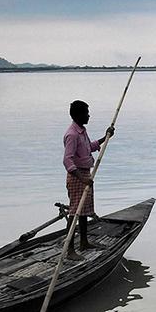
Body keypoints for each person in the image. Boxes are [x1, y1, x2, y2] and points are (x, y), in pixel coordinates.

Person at [63, 100, 114, 260]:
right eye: (86, 113)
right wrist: (81, 179)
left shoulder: (82, 131)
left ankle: (84, 242)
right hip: (77, 176)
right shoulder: (72, 134)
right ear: (78, 115)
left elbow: (88, 148)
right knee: (75, 212)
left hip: (85, 174)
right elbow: (67, 160)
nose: (88, 115)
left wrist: (105, 138)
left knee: (84, 211)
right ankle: (70, 250)